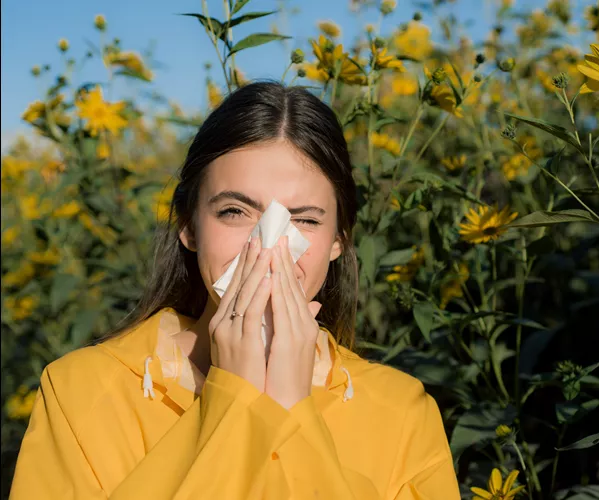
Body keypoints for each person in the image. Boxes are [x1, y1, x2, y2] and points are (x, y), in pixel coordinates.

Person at [9, 81, 460, 499]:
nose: (269, 244)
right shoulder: (79, 392)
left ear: (338, 241)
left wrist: (289, 405)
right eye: (234, 211)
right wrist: (235, 397)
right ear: (188, 226)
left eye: (303, 220)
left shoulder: (403, 414)